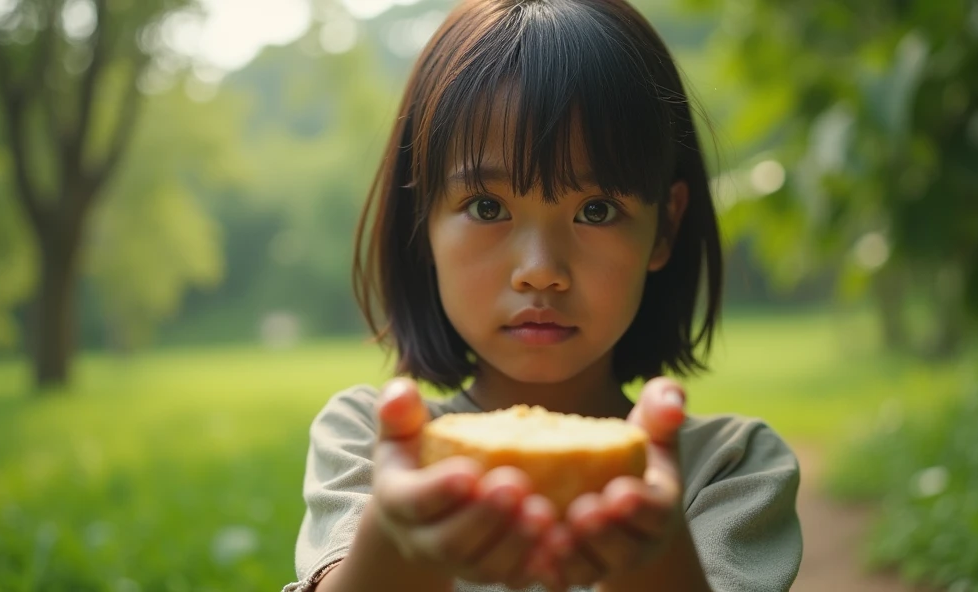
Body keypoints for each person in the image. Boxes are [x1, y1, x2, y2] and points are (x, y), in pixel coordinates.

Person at [284, 0, 802, 590]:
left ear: (665, 228)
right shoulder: (374, 444)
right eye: (487, 207)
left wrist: (652, 552)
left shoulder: (729, 467)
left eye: (597, 210)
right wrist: (398, 534)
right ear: (421, 221)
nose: (540, 272)